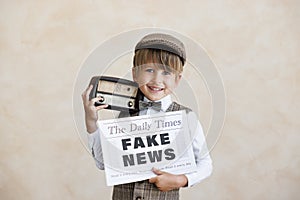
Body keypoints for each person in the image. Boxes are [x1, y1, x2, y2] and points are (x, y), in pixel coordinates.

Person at [82, 33, 212, 200]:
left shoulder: (186, 117)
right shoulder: (124, 116)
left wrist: (180, 180)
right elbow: (102, 163)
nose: (157, 80)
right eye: (149, 70)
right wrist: (91, 121)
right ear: (135, 74)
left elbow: (205, 164)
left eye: (166, 72)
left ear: (177, 80)